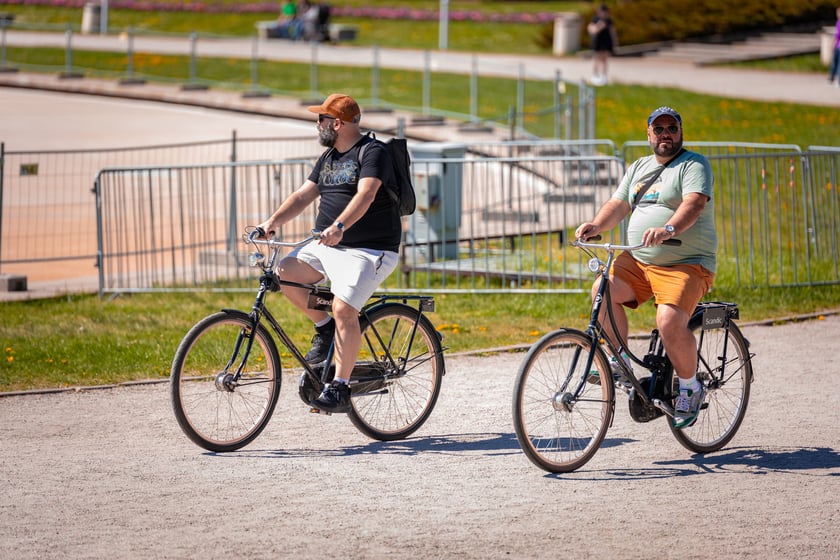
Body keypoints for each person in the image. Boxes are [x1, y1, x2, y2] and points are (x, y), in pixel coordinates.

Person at [256, 93, 401, 413]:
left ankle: (340, 387)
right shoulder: (329, 158)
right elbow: (303, 194)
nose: (317, 124)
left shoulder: (372, 152)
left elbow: (367, 194)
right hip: (327, 245)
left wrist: (339, 226)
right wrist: (272, 222)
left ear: (337, 123)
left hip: (369, 250)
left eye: (321, 119)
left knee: (344, 309)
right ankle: (324, 329)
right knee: (287, 272)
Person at [574, 106, 717, 429]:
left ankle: (691, 386)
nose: (665, 133)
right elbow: (620, 204)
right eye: (659, 128)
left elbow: (693, 204)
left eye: (672, 128)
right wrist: (596, 225)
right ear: (648, 134)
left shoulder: (693, 165)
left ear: (681, 132)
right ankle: (621, 361)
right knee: (602, 289)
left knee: (668, 320)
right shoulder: (639, 166)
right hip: (640, 259)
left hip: (685, 263)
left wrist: (669, 229)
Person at [587, 4, 618, 86]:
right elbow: (592, 29)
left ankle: (603, 76)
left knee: (604, 59)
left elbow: (612, 31)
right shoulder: (595, 19)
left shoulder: (608, 20)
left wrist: (615, 42)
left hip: (606, 42)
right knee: (596, 59)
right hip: (598, 42)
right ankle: (595, 75)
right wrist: (599, 26)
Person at [829, 7, 840, 87]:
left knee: (837, 64)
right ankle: (832, 78)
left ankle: (835, 79)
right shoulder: (838, 22)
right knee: (836, 63)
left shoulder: (839, 23)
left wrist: (833, 44)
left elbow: (837, 35)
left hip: (838, 46)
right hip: (837, 46)